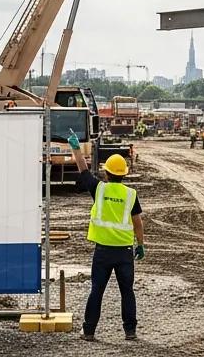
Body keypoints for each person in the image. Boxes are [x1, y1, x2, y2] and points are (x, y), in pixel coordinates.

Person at [68, 132, 144, 342]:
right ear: (124, 174)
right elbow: (138, 222)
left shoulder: (99, 189)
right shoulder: (130, 194)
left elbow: (83, 170)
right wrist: (140, 245)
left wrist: (76, 148)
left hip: (103, 251)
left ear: (107, 172)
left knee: (97, 290)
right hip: (124, 251)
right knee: (127, 291)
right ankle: (130, 331)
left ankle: (89, 331)